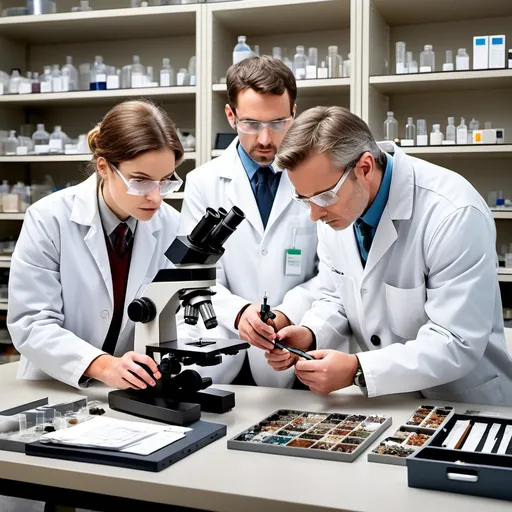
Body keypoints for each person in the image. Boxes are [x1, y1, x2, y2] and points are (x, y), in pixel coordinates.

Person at [271, 105, 512, 406]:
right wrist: (311, 334)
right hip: (389, 401)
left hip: (463, 401)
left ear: (365, 168)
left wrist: (357, 369)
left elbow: (455, 341)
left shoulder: (453, 213)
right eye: (304, 200)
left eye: (323, 197)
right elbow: (337, 294)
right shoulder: (333, 212)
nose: (315, 214)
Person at [7, 100, 184, 391]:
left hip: (130, 388)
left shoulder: (170, 224)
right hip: (58, 385)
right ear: (104, 167)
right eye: (140, 182)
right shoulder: (49, 218)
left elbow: (174, 312)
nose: (156, 197)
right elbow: (32, 323)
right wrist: (104, 365)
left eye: (165, 181)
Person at [178, 56, 318, 387]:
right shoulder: (203, 182)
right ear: (231, 116)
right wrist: (240, 314)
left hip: (298, 346)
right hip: (227, 349)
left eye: (279, 123)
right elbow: (194, 271)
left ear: (294, 114)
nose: (266, 139)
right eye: (251, 124)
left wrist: (287, 313)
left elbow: (331, 272)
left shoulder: (316, 176)